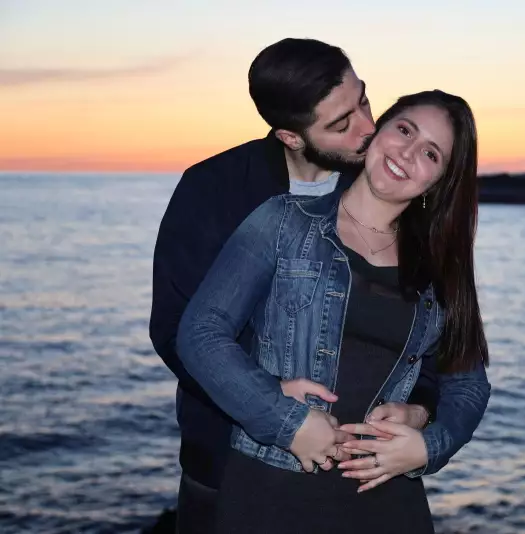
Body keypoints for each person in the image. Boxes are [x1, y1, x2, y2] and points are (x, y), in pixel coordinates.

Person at [149, 38, 439, 533]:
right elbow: (177, 329)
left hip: (362, 484)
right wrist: (268, 402)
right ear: (290, 136)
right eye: (342, 123)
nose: (370, 130)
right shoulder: (212, 189)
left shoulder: (390, 193)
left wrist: (421, 411)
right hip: (225, 466)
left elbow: (427, 339)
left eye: (363, 101)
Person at [177, 89, 491, 533]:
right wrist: (287, 422)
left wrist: (427, 445)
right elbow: (201, 333)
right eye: (404, 130)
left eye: (431, 154)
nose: (407, 152)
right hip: (272, 490)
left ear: (439, 181)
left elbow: (469, 386)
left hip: (386, 503)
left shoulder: (441, 269)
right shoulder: (283, 221)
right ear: (378, 128)